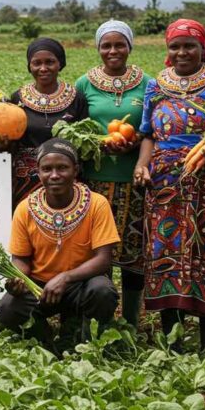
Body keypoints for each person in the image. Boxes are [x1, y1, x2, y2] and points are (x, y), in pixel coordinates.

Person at [134, 19, 205, 354]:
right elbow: (148, 134)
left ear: (203, 48)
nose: (182, 52)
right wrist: (141, 165)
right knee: (165, 253)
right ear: (167, 50)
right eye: (175, 46)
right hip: (164, 185)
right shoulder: (156, 86)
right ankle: (173, 343)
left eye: (189, 46)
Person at [0, 138, 120, 347]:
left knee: (102, 290)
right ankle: (45, 340)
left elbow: (103, 259)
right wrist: (17, 279)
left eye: (62, 168)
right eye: (47, 169)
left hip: (81, 284)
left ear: (76, 170)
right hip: (40, 287)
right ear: (39, 171)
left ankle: (84, 341)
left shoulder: (97, 204)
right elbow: (21, 259)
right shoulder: (25, 208)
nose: (54, 175)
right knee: (8, 308)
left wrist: (65, 278)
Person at [74, 21, 152, 327]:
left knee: (135, 256)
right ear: (98, 48)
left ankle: (132, 320)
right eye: (106, 45)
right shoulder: (84, 84)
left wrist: (136, 150)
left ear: (130, 47)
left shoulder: (148, 83)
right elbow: (76, 130)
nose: (113, 51)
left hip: (134, 182)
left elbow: (152, 131)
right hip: (94, 183)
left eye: (119, 44)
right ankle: (101, 321)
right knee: (96, 252)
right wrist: (96, 144)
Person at [9, 37, 88, 207]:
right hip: (25, 179)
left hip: (64, 179)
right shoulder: (17, 99)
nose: (43, 68)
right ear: (29, 66)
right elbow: (12, 143)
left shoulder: (76, 98)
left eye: (50, 62)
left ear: (60, 64)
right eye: (37, 63)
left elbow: (84, 142)